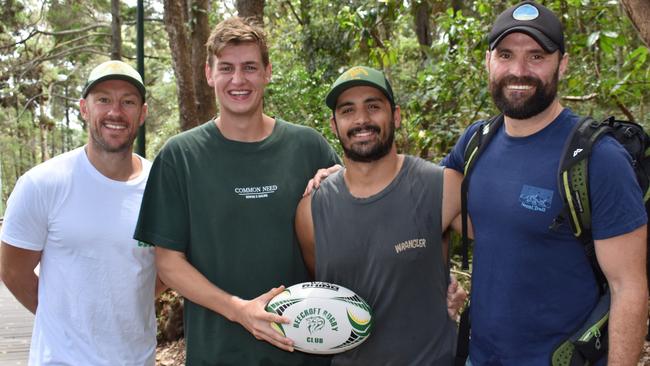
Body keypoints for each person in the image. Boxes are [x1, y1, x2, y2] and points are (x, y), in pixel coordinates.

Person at [442, 1, 648, 365]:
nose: (518, 70)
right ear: (488, 61)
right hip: (479, 355)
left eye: (536, 56)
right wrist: (348, 176)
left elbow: (628, 288)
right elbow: (427, 206)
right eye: (506, 55)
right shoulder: (476, 142)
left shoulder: (598, 159)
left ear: (562, 64)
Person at [133, 17, 340, 365]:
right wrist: (239, 310)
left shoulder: (308, 147)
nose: (238, 80)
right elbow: (168, 262)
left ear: (268, 72)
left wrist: (343, 184)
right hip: (218, 353)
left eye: (249, 67)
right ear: (209, 74)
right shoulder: (180, 156)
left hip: (304, 350)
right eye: (226, 68)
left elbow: (352, 230)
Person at [295, 66, 466, 365]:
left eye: (373, 106)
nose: (361, 119)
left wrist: (452, 290)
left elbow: (512, 243)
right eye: (348, 110)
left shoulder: (443, 186)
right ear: (334, 125)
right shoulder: (311, 210)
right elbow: (323, 290)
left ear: (395, 116)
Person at [0, 60, 164, 365]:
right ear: (84, 109)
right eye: (103, 99)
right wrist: (67, 322)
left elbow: (166, 269)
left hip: (137, 359)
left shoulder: (161, 187)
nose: (115, 112)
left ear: (141, 114)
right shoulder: (43, 184)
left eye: (127, 102)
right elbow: (12, 271)